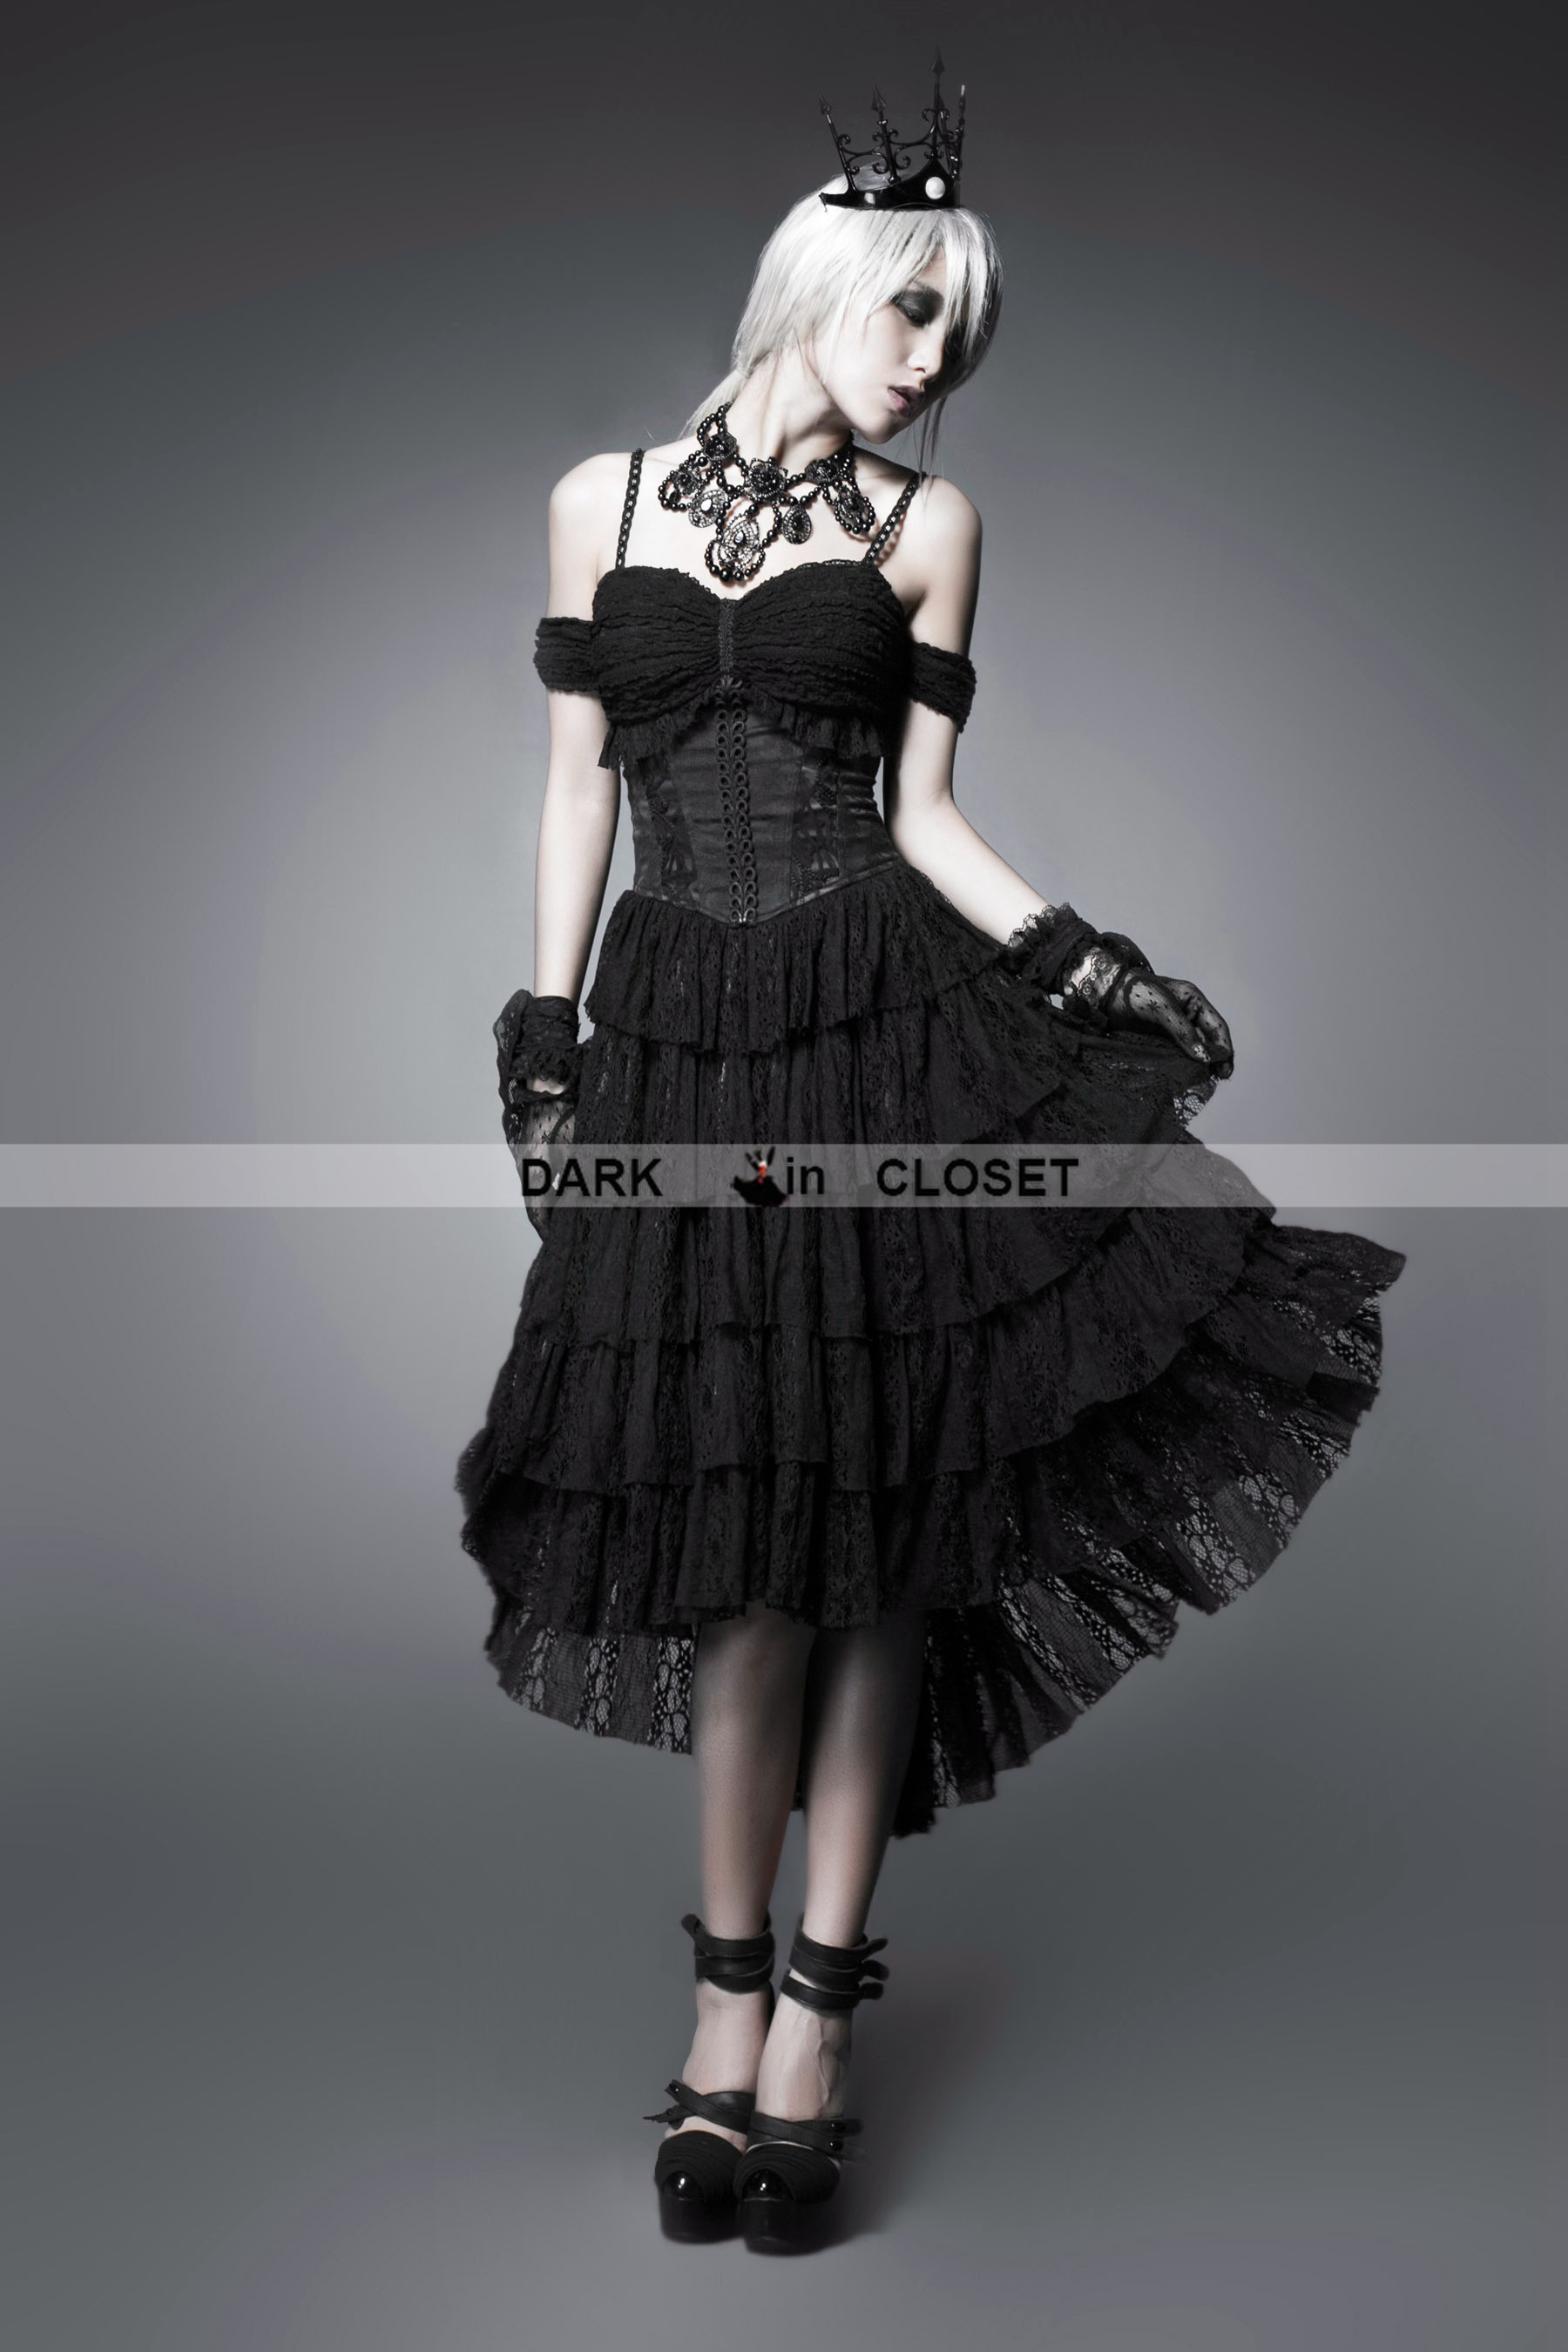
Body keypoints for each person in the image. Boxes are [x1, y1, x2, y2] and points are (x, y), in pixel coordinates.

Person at [453, 71, 1406, 2251]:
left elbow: (927, 824)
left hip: (882, 1032)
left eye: (958, 338)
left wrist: (1093, 967)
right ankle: (718, 2002)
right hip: (680, 1043)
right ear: (822, 283)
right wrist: (545, 1030)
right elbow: (576, 785)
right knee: (736, 1535)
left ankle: (813, 2022)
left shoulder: (926, 531)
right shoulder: (598, 500)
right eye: (914, 315)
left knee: (877, 1524)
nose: (933, 364)